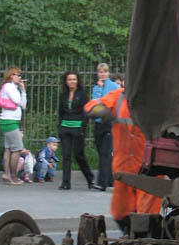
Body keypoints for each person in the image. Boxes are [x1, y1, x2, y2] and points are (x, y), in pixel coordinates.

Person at [84, 86, 160, 222]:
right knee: (120, 212)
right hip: (124, 168)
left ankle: (141, 237)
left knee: (147, 213)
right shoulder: (118, 96)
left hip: (149, 169)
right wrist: (99, 110)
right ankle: (131, 236)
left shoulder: (158, 98)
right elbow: (92, 105)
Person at [57, 71, 94, 190]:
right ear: (66, 81)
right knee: (66, 156)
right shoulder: (63, 95)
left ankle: (90, 179)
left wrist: (82, 128)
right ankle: (66, 183)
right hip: (65, 128)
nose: (72, 81)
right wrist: (60, 127)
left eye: (74, 79)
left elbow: (86, 113)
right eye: (69, 79)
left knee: (79, 155)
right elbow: (60, 113)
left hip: (77, 128)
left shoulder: (82, 95)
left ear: (77, 81)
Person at [90, 62, 118, 191]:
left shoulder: (113, 86)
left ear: (108, 73)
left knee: (106, 153)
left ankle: (102, 183)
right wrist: (100, 90)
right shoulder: (95, 88)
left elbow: (109, 103)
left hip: (109, 122)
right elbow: (96, 105)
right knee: (101, 152)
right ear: (97, 74)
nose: (103, 74)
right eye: (100, 72)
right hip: (98, 122)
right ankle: (109, 179)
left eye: (105, 72)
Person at [0, 66, 27, 185]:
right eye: (18, 75)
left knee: (8, 148)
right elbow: (16, 101)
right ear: (11, 76)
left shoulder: (14, 87)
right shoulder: (8, 86)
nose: (20, 77)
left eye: (20, 75)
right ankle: (14, 177)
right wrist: (20, 94)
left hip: (11, 120)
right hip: (9, 120)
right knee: (18, 148)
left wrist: (23, 91)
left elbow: (23, 105)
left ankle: (6, 174)